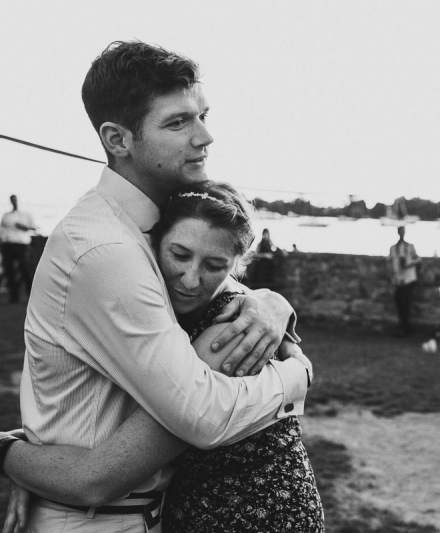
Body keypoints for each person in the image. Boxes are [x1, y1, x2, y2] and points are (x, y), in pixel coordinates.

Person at [0, 41, 312, 532]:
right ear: (118, 139)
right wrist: (297, 378)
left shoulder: (146, 229)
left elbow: (217, 292)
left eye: (202, 115)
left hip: (145, 513)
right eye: (178, 123)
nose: (205, 136)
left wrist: (272, 303)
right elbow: (202, 415)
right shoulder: (106, 250)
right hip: (94, 521)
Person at [2, 183, 323, 532]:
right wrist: (28, 466)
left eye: (215, 265)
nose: (191, 278)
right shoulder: (164, 318)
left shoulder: (230, 331)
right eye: (180, 255)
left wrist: (13, 458)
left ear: (237, 265)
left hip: (251, 513)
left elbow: (101, 473)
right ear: (153, 245)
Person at [0, 194, 36, 303]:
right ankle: (13, 297)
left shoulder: (25, 215)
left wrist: (23, 227)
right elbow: (2, 230)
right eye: (12, 200)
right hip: (7, 245)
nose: (14, 201)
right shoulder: (6, 216)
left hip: (21, 245)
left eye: (15, 199)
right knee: (9, 271)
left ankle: (31, 295)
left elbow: (33, 227)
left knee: (24, 269)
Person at [389, 225, 420, 336]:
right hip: (398, 279)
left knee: (406, 303)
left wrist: (408, 264)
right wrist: (393, 276)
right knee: (399, 302)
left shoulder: (410, 247)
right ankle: (402, 325)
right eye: (400, 231)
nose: (402, 233)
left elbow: (418, 259)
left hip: (408, 279)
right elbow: (391, 263)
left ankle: (406, 327)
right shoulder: (393, 248)